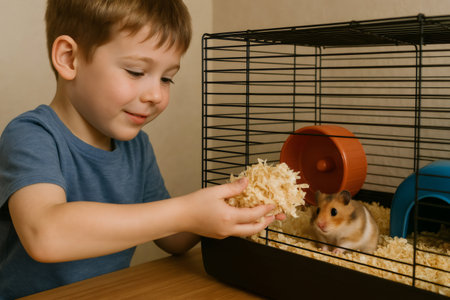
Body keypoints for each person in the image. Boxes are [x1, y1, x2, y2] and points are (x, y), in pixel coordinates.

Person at [0, 0, 283, 298]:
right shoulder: (31, 135)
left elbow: (172, 238)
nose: (156, 95)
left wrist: (230, 207)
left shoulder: (136, 146)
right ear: (70, 59)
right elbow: (45, 234)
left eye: (166, 78)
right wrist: (186, 212)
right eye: (136, 72)